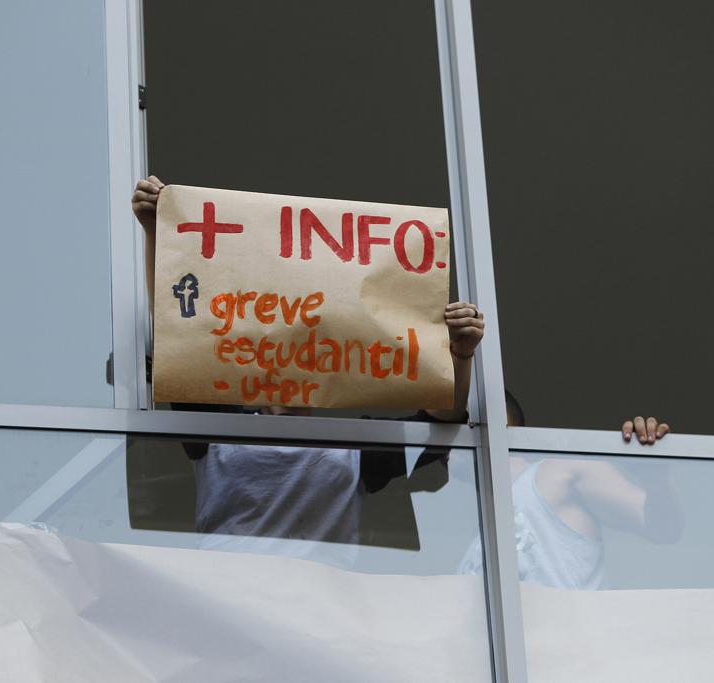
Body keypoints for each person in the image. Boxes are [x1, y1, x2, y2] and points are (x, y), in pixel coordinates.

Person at [131, 176, 483, 563]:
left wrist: (459, 356)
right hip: (226, 601)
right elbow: (177, 329)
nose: (294, 351)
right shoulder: (221, 425)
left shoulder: (352, 448)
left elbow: (439, 424)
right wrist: (155, 229)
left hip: (316, 608)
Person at [459, 392, 684, 588]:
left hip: (571, 635)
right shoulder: (482, 533)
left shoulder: (560, 472)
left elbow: (664, 527)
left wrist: (656, 477)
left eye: (456, 421)